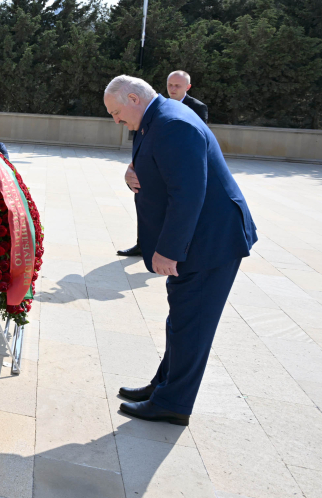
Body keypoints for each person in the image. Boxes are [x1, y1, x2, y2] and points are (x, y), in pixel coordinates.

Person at [103, 75, 256, 426]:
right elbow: (156, 165)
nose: (116, 120)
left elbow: (189, 194)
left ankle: (173, 404)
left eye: (116, 112)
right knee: (183, 318)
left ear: (133, 98)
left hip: (210, 242)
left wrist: (168, 251)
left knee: (193, 324)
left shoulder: (172, 123)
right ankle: (164, 386)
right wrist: (132, 173)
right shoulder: (158, 116)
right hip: (200, 239)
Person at [118, 70, 208, 257]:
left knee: (172, 209)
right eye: (170, 85)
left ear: (188, 87)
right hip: (151, 170)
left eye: (178, 86)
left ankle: (170, 250)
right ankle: (142, 244)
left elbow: (194, 144)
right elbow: (141, 140)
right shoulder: (153, 109)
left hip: (174, 171)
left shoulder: (197, 108)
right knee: (143, 204)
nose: (173, 89)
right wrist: (132, 168)